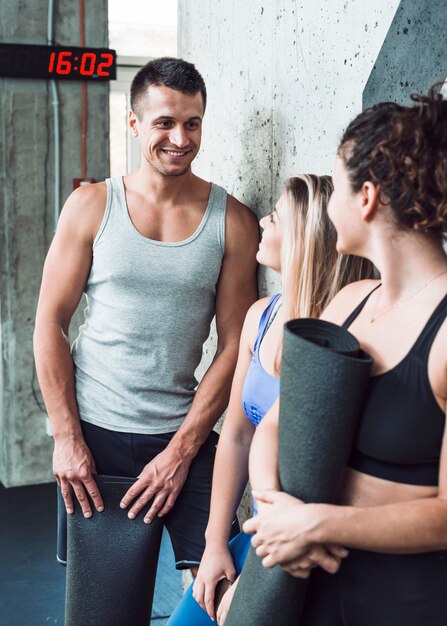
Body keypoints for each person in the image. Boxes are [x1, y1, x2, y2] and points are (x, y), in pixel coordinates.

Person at [33, 56, 259, 584]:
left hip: (184, 430)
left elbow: (235, 347)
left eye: (193, 123)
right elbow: (49, 322)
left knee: (224, 591)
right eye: (164, 122)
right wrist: (66, 436)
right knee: (103, 610)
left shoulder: (234, 221)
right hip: (96, 434)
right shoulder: (91, 206)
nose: (180, 138)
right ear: (134, 124)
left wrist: (182, 450)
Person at [245, 88, 447, 625]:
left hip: (407, 600)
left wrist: (316, 526)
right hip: (306, 577)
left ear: (367, 198)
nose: (328, 203)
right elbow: (275, 427)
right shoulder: (348, 304)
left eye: (334, 186)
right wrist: (274, 509)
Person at [167, 174, 373, 626]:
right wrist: (214, 543)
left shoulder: (347, 337)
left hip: (306, 546)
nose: (262, 221)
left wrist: (257, 582)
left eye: (275, 217)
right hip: (256, 532)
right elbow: (238, 435)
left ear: (303, 240)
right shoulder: (261, 315)